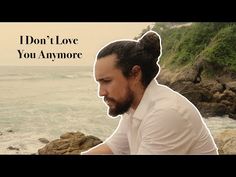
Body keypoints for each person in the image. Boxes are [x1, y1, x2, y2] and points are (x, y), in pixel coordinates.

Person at [81, 31, 218, 155]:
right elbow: (115, 148)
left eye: (107, 81)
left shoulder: (165, 112)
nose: (101, 92)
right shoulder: (134, 108)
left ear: (135, 74)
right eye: (99, 82)